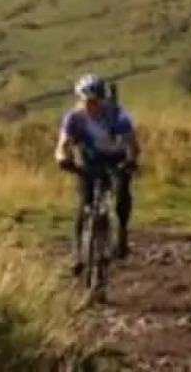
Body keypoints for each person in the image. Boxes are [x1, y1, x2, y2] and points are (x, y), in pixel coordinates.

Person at [55, 73, 140, 272]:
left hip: (116, 158)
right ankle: (77, 253)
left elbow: (132, 144)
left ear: (103, 101)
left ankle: (122, 233)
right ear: (79, 99)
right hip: (89, 160)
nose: (91, 106)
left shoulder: (117, 115)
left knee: (121, 195)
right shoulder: (73, 118)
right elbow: (62, 144)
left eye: (95, 102)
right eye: (87, 102)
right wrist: (63, 159)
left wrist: (131, 161)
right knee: (85, 203)